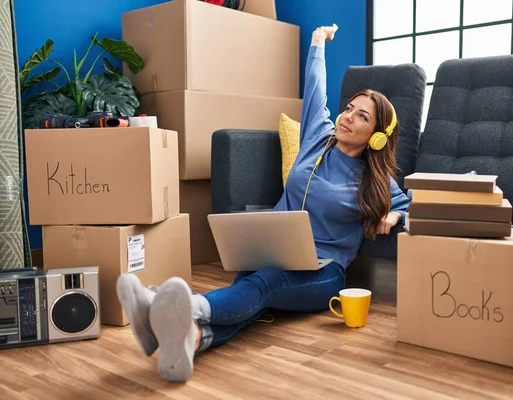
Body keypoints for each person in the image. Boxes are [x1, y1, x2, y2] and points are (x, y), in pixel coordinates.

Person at [116, 23, 411, 383]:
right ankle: (190, 339)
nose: (348, 117)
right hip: (274, 250)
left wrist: (395, 213)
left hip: (326, 271)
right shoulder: (318, 139)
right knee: (249, 290)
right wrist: (317, 43)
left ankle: (173, 307)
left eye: (362, 116)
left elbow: (413, 206)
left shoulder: (374, 180)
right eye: (349, 108)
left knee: (264, 285)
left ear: (378, 137)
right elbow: (316, 89)